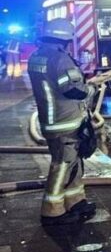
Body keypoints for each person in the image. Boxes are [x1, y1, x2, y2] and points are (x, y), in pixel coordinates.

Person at [27, 18, 97, 225]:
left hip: (51, 120)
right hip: (65, 122)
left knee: (72, 163)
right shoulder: (60, 58)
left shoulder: (37, 56)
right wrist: (92, 89)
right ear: (65, 40)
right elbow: (73, 89)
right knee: (62, 166)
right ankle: (53, 212)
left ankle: (75, 202)